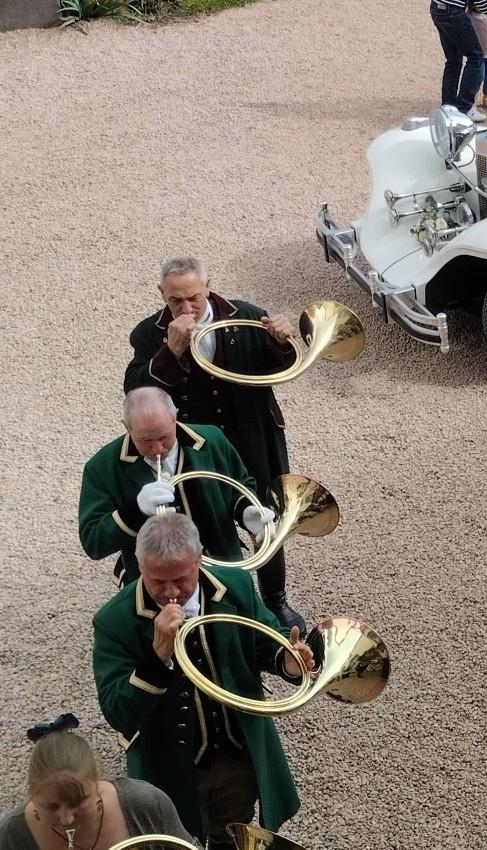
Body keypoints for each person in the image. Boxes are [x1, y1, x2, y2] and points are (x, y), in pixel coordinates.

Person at [92, 513, 314, 849]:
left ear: (199, 560)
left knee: (233, 833)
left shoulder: (235, 585)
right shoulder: (114, 621)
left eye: (181, 579)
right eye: (157, 582)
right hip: (169, 766)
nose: (171, 593)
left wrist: (287, 660)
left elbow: (265, 641)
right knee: (174, 840)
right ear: (139, 566)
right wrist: (157, 659)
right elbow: (117, 713)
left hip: (235, 754)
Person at [123, 257, 302, 631]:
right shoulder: (148, 334)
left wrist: (282, 342)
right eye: (175, 301)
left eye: (193, 297)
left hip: (253, 437)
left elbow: (281, 368)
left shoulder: (245, 316)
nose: (186, 308)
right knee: (204, 520)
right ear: (162, 295)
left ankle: (275, 601)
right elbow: (137, 391)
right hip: (197, 448)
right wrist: (170, 353)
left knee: (265, 516)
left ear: (208, 286)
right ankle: (220, 600)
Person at [79, 387, 273, 587]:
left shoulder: (212, 439)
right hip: (157, 586)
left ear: (175, 418)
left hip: (222, 571)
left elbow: (239, 485)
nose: (157, 449)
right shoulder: (102, 467)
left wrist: (246, 511)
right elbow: (93, 541)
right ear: (127, 427)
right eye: (145, 441)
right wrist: (134, 511)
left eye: (164, 437)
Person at [1, 724, 193, 850]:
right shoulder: (10, 836)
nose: (67, 819)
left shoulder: (144, 803)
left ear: (97, 783)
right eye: (52, 806)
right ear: (32, 795)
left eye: (77, 802)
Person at [429, 0, 487, 119]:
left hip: (437, 7)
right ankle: (463, 109)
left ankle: (447, 105)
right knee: (475, 58)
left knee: (453, 60)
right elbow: (484, 3)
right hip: (453, 13)